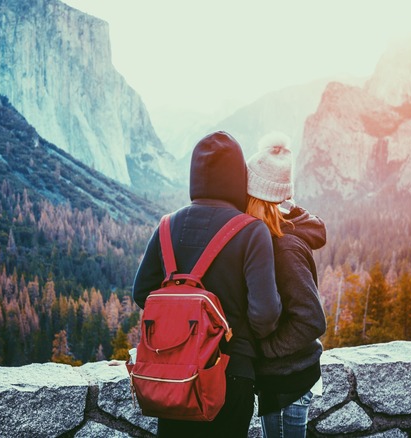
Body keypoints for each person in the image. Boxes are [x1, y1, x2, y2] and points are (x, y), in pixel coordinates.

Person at [132, 131, 282, 437]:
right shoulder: (252, 231)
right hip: (230, 374)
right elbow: (265, 316)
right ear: (238, 178)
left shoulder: (166, 225)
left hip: (174, 374)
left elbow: (141, 294)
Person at [245, 131, 327, 438]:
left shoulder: (285, 249)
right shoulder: (272, 239)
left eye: (246, 195)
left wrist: (264, 349)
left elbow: (312, 320)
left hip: (288, 383)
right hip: (283, 379)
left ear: (258, 199)